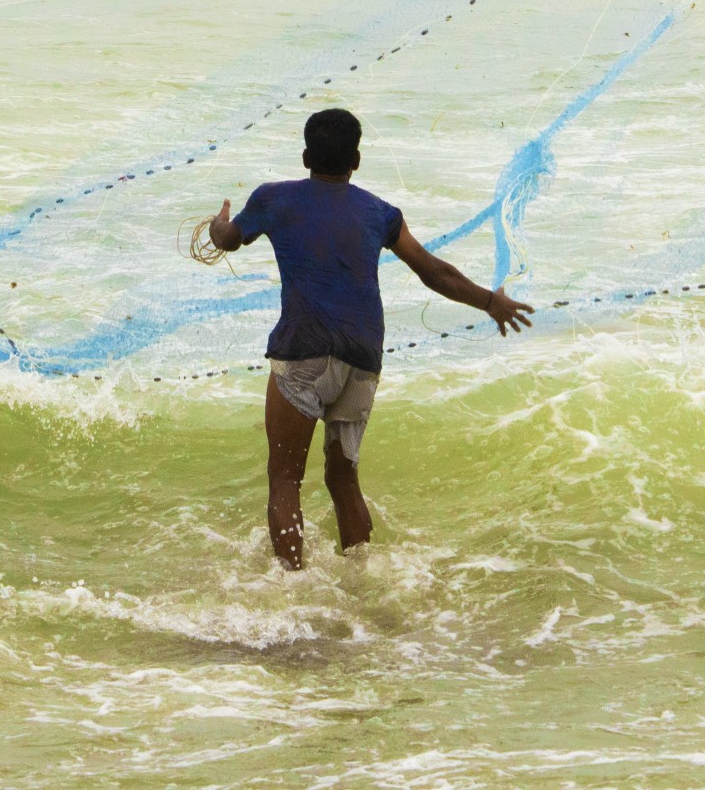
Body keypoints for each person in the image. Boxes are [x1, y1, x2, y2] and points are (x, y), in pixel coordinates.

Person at [205, 107, 533, 568]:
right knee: (343, 480)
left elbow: (230, 239)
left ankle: (293, 592)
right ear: (355, 161)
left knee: (284, 480)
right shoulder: (380, 213)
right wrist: (490, 302)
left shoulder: (273, 199)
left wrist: (218, 227)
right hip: (363, 359)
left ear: (304, 157)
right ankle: (363, 582)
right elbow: (433, 272)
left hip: (303, 352)